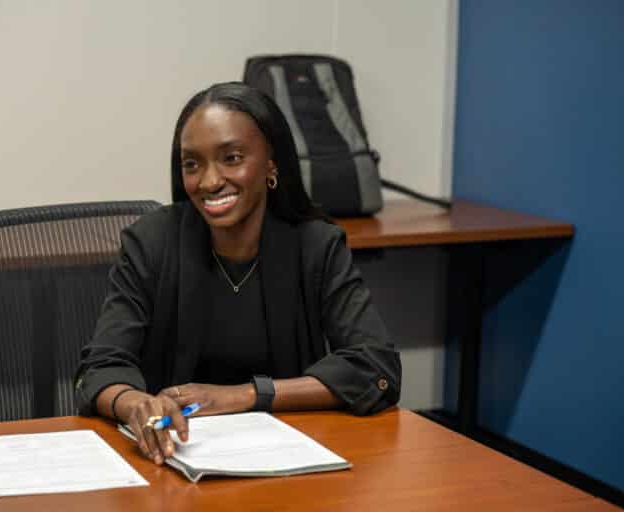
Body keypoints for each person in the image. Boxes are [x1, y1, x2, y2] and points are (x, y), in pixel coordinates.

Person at [74, 82, 401, 465]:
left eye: (231, 158)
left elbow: (375, 368)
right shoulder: (151, 242)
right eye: (192, 164)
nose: (209, 181)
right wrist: (135, 405)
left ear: (271, 164)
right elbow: (101, 367)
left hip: (288, 460)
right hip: (172, 459)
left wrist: (245, 395)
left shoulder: (315, 245)